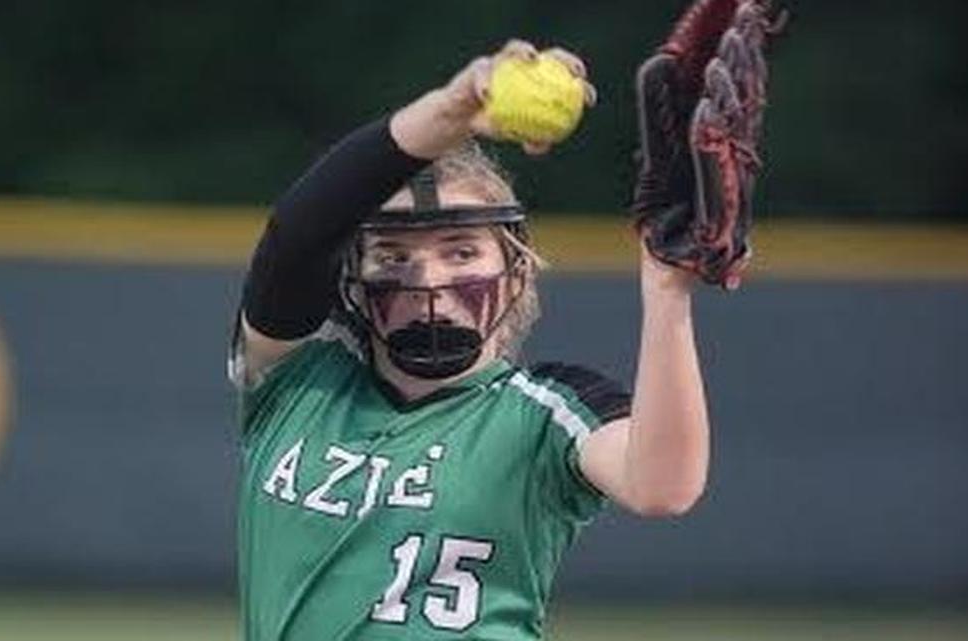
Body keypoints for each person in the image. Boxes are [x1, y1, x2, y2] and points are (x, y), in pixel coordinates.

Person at [231, 40, 709, 640]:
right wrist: (447, 112)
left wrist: (667, 293)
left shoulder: (545, 411)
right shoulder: (298, 381)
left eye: (461, 251)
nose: (428, 278)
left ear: (517, 265)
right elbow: (297, 232)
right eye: (393, 254)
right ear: (352, 273)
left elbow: (663, 487)